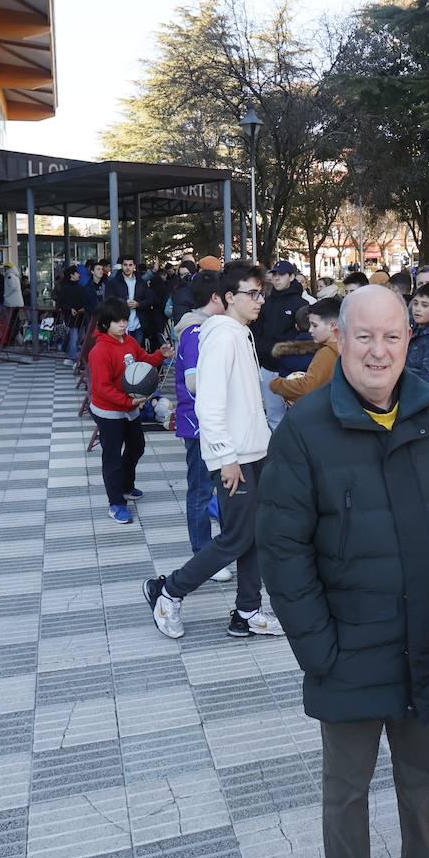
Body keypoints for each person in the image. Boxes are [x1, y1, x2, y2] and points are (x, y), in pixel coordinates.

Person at [257, 285, 429, 858]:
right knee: (347, 791)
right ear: (340, 339)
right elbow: (282, 551)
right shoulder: (306, 431)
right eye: (365, 336)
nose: (379, 350)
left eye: (392, 336)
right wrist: (319, 650)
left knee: (420, 776)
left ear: (408, 340)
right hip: (349, 651)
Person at [144, 261, 285, 641]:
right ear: (228, 297)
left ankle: (247, 610)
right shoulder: (222, 334)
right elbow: (208, 402)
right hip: (234, 457)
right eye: (251, 294)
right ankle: (169, 591)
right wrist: (225, 457)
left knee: (251, 533)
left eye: (261, 293)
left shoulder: (240, 333)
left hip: (254, 452)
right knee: (237, 537)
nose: (259, 301)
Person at [88, 296, 173, 523]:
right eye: (117, 321)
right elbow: (102, 388)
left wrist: (159, 355)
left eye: (125, 319)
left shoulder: (128, 341)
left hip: (129, 407)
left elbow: (143, 360)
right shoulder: (100, 351)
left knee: (137, 446)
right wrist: (128, 403)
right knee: (112, 457)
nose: (123, 324)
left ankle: (126, 486)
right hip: (108, 411)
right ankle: (115, 503)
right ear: (105, 323)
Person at [172, 270, 232, 577]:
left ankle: (215, 550)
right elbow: (194, 383)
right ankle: (203, 556)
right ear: (215, 297)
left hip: (207, 424)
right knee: (200, 491)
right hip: (197, 425)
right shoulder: (197, 334)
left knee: (214, 489)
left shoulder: (206, 329)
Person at [252, 259, 312, 431]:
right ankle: (277, 455)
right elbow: (257, 330)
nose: (277, 278)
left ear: (292, 276)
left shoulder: (302, 304)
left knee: (297, 416)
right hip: (268, 367)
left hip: (292, 369)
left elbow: (305, 337)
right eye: (274, 274)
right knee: (273, 416)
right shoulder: (266, 302)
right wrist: (262, 353)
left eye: (281, 275)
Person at [271, 296, 341, 406]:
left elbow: (307, 387)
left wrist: (276, 384)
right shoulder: (347, 347)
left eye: (314, 325)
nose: (310, 330)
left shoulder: (326, 353)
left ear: (332, 326)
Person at [103, 256, 154, 338]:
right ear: (121, 266)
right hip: (120, 323)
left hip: (138, 323)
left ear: (134, 266)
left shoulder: (141, 282)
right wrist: (122, 304)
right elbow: (108, 301)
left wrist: (138, 304)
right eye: (125, 265)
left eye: (130, 265)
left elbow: (150, 299)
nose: (127, 267)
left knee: (136, 349)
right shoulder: (113, 283)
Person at [53, 264, 86, 361]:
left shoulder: (80, 287)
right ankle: (72, 358)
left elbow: (83, 300)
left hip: (81, 317)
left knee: (78, 337)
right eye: (76, 273)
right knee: (74, 337)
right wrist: (70, 309)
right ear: (71, 275)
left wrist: (83, 308)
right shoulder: (65, 288)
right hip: (70, 317)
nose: (79, 275)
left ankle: (65, 348)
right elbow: (60, 303)